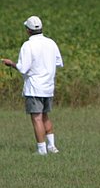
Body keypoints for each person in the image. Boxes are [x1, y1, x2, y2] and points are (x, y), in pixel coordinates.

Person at [2, 15, 64, 155]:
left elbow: (22, 68)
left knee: (36, 118)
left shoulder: (28, 45)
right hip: (48, 86)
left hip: (35, 87)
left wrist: (10, 63)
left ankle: (42, 150)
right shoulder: (51, 43)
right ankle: (52, 147)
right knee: (45, 116)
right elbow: (59, 62)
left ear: (28, 30)